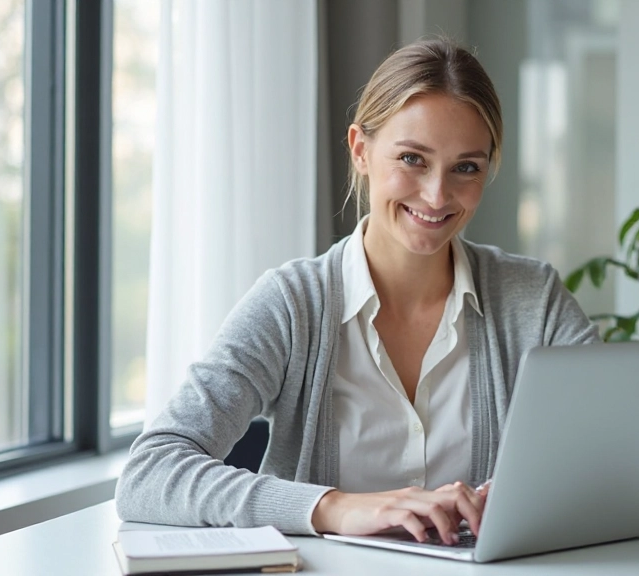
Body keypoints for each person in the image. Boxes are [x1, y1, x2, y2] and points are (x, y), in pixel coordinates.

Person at [114, 37, 600, 546]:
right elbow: (149, 473)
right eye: (413, 159)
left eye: (466, 167)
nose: (437, 195)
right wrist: (335, 507)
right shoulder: (292, 305)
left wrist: (533, 491)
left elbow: (627, 455)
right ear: (361, 150)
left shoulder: (533, 299)